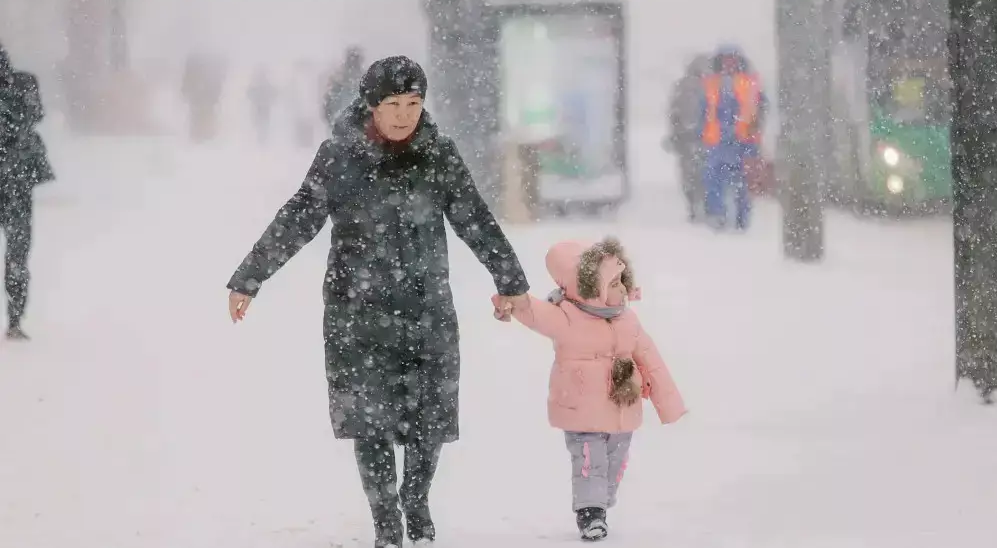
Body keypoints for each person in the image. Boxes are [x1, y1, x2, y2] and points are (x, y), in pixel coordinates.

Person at [226, 55, 530, 548]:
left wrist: (509, 279)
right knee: (370, 424)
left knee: (429, 422)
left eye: (413, 103)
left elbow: (474, 217)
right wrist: (249, 277)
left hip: (427, 309)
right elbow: (299, 217)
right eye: (393, 104)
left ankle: (415, 498)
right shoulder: (339, 156)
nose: (404, 114)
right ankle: (386, 521)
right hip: (357, 314)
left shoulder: (439, 156)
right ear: (370, 105)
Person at [493, 237, 686, 541]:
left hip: (622, 409)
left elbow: (651, 360)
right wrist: (511, 301)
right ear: (591, 288)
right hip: (580, 408)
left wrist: (669, 403)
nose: (623, 290)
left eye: (623, 282)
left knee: (613, 464)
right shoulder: (566, 316)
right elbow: (533, 311)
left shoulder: (627, 320)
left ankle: (600, 502)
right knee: (588, 461)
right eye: (614, 284)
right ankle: (591, 513)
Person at [0, 43, 55, 340]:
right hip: (17, 180)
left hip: (16, 180)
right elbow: (33, 115)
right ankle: (15, 320)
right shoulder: (23, 84)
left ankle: (15, 319)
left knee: (18, 256)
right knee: (18, 256)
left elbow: (32, 115)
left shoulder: (22, 84)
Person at [699, 45, 767, 230]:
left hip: (744, 142)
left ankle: (741, 220)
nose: (729, 62)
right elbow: (703, 111)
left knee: (743, 184)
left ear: (739, 61)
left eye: (733, 58)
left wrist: (753, 131)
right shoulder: (710, 83)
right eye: (725, 58)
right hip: (717, 142)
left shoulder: (751, 83)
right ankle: (717, 216)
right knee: (714, 181)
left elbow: (760, 110)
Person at [665, 54, 712, 222]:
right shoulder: (709, 86)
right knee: (700, 173)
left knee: (690, 174)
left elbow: (673, 113)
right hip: (699, 138)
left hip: (689, 138)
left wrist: (675, 133)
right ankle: (700, 205)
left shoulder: (682, 86)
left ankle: (694, 205)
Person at [324, 46, 364, 130]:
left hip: (354, 123)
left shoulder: (364, 77)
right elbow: (328, 103)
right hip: (344, 122)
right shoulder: (338, 78)